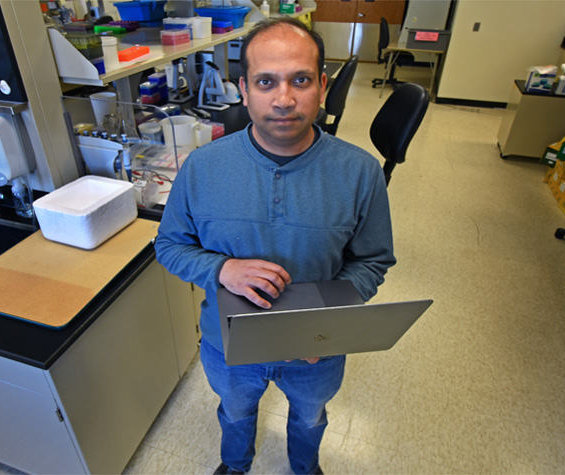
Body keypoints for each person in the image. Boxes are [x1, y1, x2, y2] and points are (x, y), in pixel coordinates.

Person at [155, 16, 395, 475]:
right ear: (243, 89)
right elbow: (169, 246)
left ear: (322, 86)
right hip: (230, 346)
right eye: (266, 81)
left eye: (300, 80)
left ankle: (304, 468)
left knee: (309, 417)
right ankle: (236, 465)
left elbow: (373, 261)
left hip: (316, 351)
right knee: (236, 412)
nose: (284, 99)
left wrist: (320, 326)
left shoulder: (360, 173)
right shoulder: (202, 168)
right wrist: (223, 270)